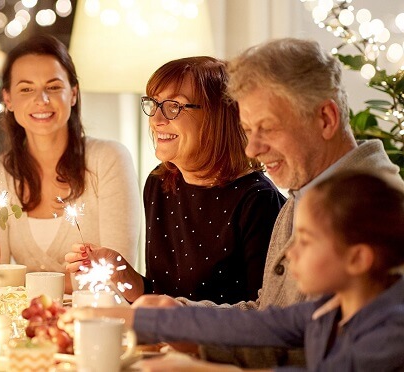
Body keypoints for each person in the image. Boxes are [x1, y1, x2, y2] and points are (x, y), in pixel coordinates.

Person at [129, 38, 404, 368]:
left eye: (267, 128)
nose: (251, 149)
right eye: (247, 129)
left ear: (326, 119)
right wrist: (179, 319)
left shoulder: (375, 212)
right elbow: (274, 320)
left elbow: (321, 352)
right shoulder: (307, 192)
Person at [83, 171, 404, 372]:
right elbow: (253, 324)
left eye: (304, 241)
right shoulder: (326, 310)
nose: (288, 253)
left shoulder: (392, 334)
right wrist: (134, 319)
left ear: (358, 259)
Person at [65, 57, 284, 304]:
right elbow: (158, 296)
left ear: (217, 116)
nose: (157, 119)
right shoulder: (160, 183)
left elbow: (263, 315)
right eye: (154, 104)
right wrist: (119, 270)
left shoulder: (258, 201)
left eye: (173, 107)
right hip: (166, 339)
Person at [0, 34, 141, 292]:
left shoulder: (109, 160)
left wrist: (31, 288)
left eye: (53, 87)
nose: (42, 100)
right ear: (8, 100)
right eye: (26, 89)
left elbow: (118, 277)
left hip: (95, 322)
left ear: (73, 94)